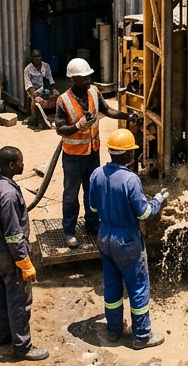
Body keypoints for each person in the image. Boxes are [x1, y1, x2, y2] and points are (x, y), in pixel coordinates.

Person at [90, 129, 168, 349]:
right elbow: (144, 213)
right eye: (132, 151)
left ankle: (114, 330)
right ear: (128, 155)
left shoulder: (96, 174)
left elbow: (93, 208)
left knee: (112, 286)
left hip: (104, 236)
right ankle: (141, 336)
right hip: (127, 241)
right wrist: (158, 201)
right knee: (138, 287)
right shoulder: (131, 179)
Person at [55, 58, 128, 248]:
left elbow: (108, 110)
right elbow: (60, 129)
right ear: (73, 79)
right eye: (84, 78)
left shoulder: (94, 92)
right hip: (73, 156)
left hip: (92, 153)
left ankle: (92, 225)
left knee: (92, 191)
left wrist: (128, 116)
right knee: (71, 195)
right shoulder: (63, 100)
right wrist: (78, 125)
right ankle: (69, 231)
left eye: (89, 76)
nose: (88, 80)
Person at [0, 145, 48, 361]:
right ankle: (22, 346)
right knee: (19, 299)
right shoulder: (9, 195)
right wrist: (24, 261)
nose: (23, 164)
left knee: (3, 289)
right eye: (20, 162)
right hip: (10, 251)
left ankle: (4, 334)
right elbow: (13, 235)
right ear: (11, 165)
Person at [24, 48, 59, 122]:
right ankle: (35, 119)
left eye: (39, 56)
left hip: (46, 90)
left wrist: (54, 90)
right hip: (35, 92)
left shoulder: (46, 66)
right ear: (31, 58)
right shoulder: (27, 69)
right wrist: (36, 95)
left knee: (59, 97)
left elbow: (51, 81)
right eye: (35, 57)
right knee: (38, 100)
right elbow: (29, 87)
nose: (37, 58)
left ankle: (55, 118)